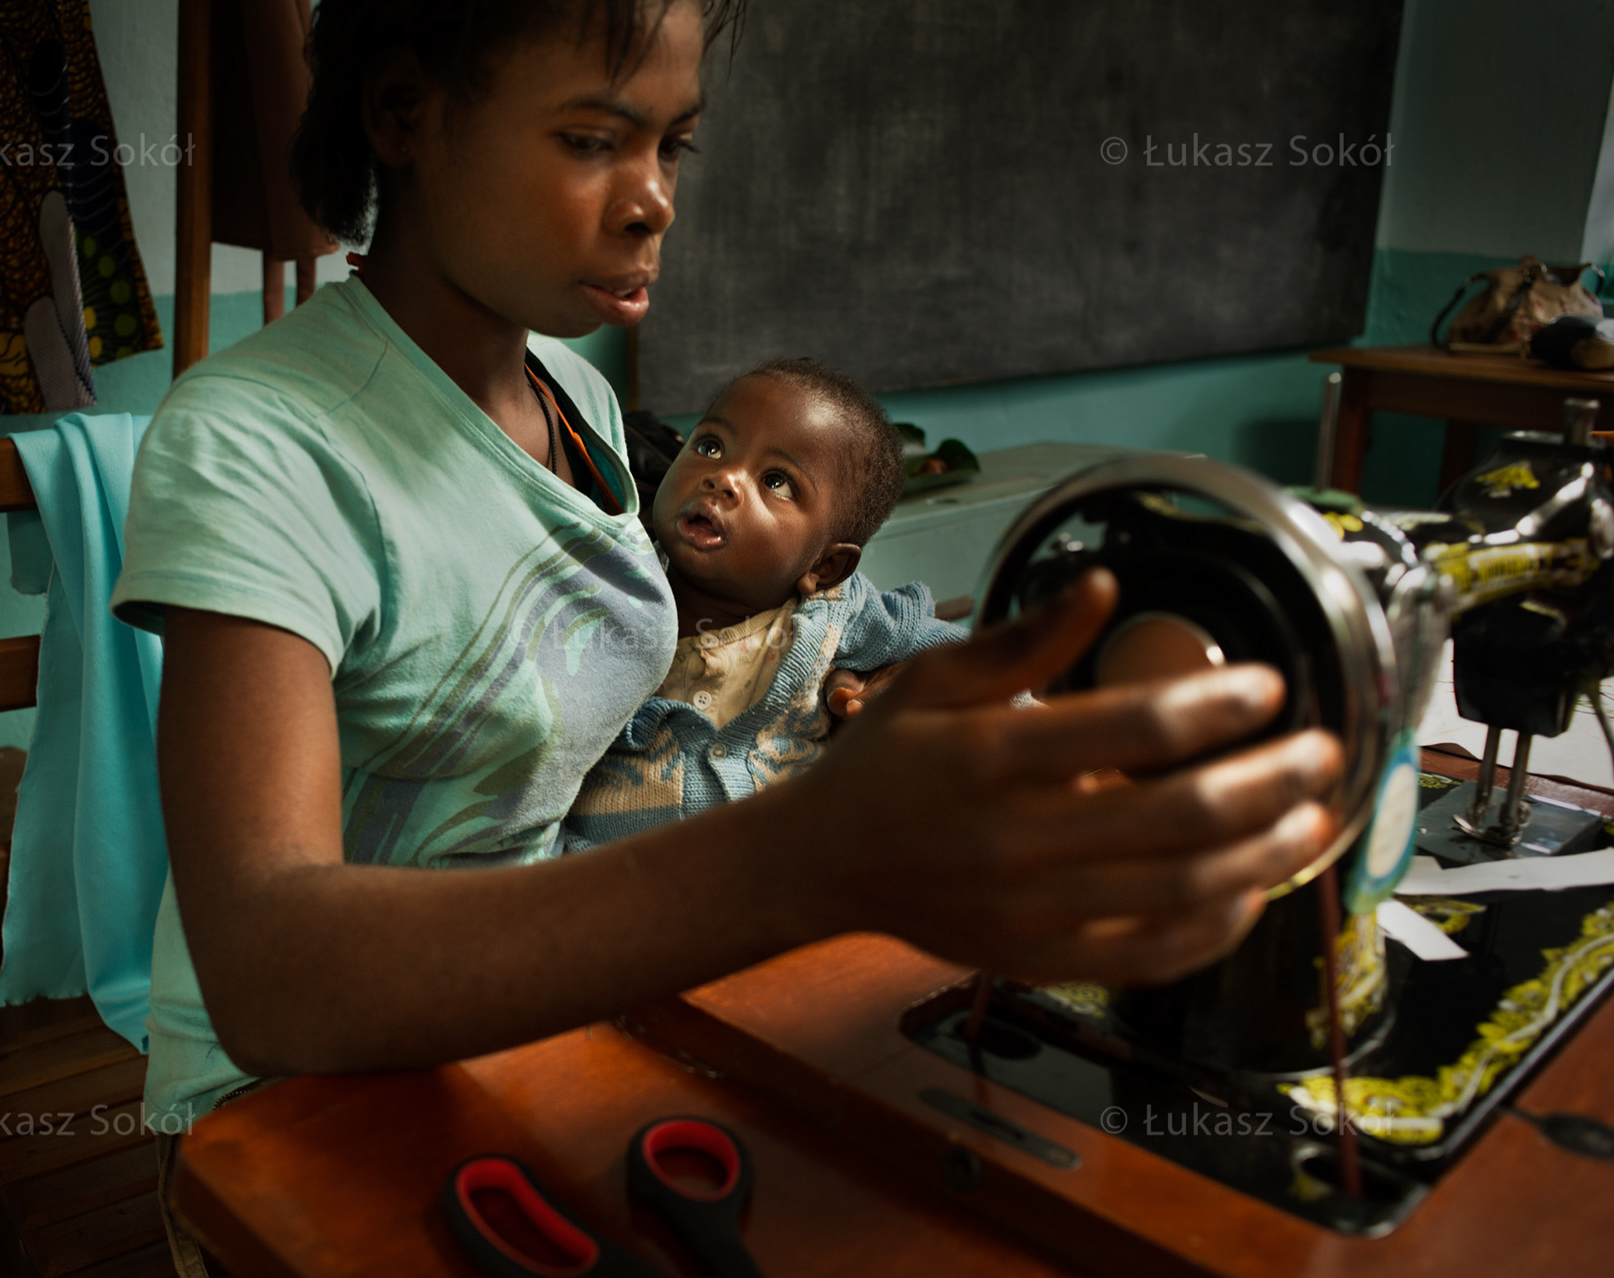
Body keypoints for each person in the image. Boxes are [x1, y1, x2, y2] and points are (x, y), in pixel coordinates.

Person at [113, 2, 1343, 1264]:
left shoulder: (576, 397)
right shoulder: (260, 443)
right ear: (404, 114)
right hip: (296, 1108)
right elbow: (268, 976)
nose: (654, 203)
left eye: (674, 148)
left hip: (542, 1018)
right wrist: (804, 856)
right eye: (594, 140)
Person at [566, 357, 987, 848]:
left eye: (777, 482)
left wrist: (912, 684)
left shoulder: (834, 615)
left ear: (824, 567)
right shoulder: (603, 593)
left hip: (799, 885)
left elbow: (986, 667)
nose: (724, 478)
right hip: (620, 891)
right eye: (710, 446)